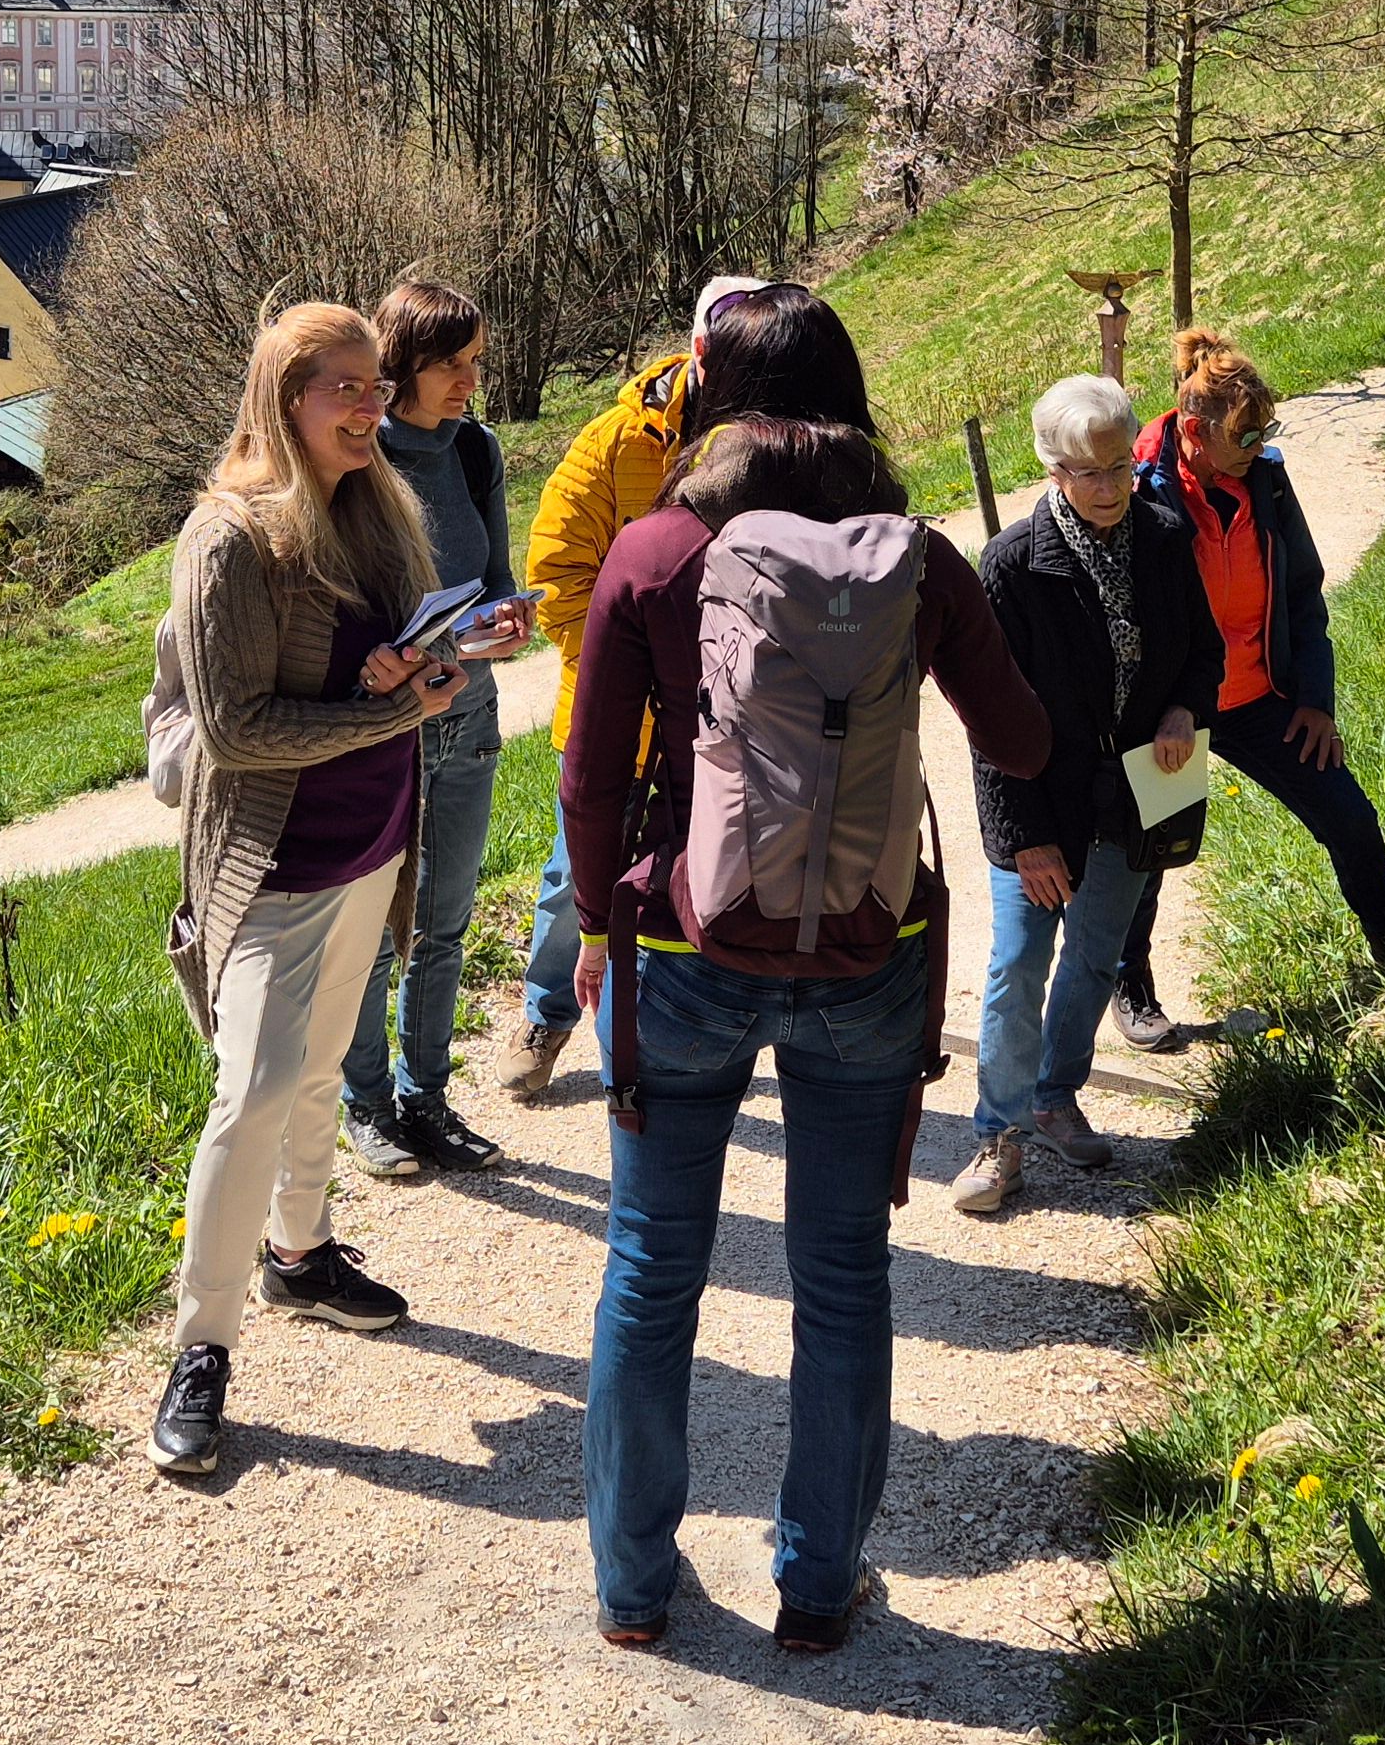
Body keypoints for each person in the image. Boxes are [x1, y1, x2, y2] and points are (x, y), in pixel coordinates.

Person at [561, 298, 1048, 1654]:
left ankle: (634, 1588)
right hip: (868, 952)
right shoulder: (920, 558)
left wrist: (599, 933)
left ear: (710, 397)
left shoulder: (657, 549)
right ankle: (820, 1585)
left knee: (654, 1272)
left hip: (686, 945)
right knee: (843, 1276)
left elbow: (594, 776)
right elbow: (1017, 737)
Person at [149, 301, 467, 1477]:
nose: (370, 408)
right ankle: (201, 1348)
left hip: (370, 843)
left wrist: (433, 656)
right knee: (253, 1093)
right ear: (285, 395)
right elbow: (233, 731)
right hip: (271, 867)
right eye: (344, 388)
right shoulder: (228, 537)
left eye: (377, 388)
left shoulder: (374, 510)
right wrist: (393, 704)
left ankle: (302, 1254)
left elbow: (384, 661)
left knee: (322, 1067)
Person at [953, 374, 1225, 1216]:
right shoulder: (1009, 565)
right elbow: (990, 720)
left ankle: (1054, 1094)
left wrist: (1186, 706)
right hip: (1041, 802)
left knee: (1097, 956)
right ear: (1052, 471)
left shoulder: (1164, 536)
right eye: (1088, 472)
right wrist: (1023, 838)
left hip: (1137, 793)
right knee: (1016, 963)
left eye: (1121, 468)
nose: (1109, 488)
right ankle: (997, 1136)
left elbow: (1203, 652)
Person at [501, 273, 773, 1095]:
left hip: (736, 718)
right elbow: (554, 572)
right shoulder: (616, 441)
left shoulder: (768, 443)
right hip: (623, 715)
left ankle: (706, 1017)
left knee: (722, 871)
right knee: (571, 881)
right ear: (698, 352)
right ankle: (546, 1016)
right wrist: (632, 660)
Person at [1115, 328, 1385, 1021]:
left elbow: (1303, 592)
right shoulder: (1139, 488)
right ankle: (1129, 983)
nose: (1258, 449)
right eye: (1244, 437)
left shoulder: (1267, 480)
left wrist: (1314, 699)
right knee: (1149, 855)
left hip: (1260, 695)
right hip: (1172, 710)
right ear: (1195, 431)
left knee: (1348, 815)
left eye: (1265, 433)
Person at [339, 276, 536, 1181]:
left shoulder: (475, 450)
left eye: (474, 363)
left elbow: (496, 574)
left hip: (471, 714)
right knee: (378, 931)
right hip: (384, 730)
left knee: (445, 924)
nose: (468, 381)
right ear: (403, 364)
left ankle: (428, 1102)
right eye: (450, 366)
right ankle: (366, 1107)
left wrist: (507, 617)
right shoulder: (354, 458)